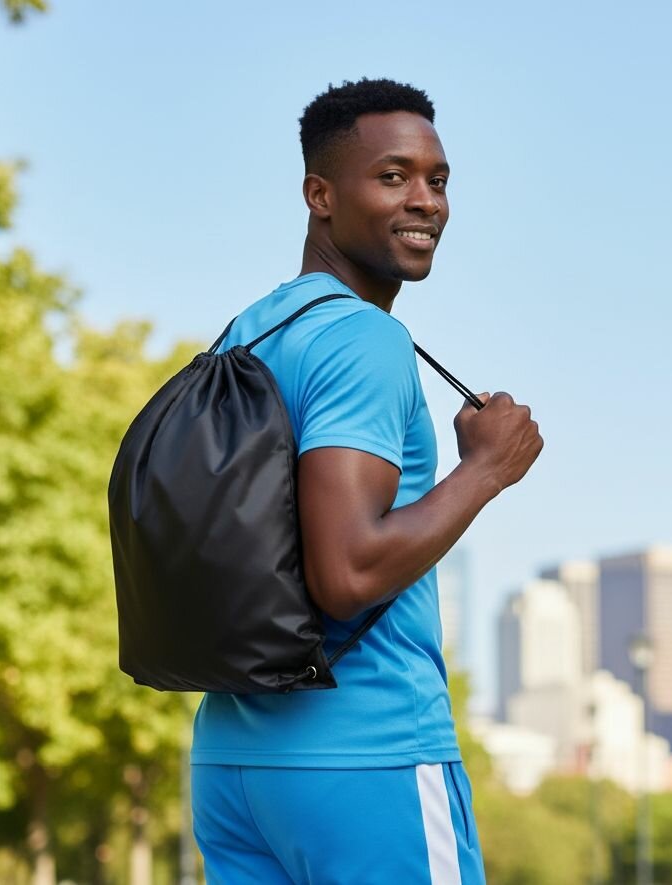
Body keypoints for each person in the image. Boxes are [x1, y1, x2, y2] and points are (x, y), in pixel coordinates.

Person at [190, 77, 543, 884]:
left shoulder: (249, 330)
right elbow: (345, 572)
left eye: (438, 179)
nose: (425, 201)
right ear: (320, 194)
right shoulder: (364, 341)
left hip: (236, 763)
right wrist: (485, 471)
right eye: (392, 176)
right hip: (368, 752)